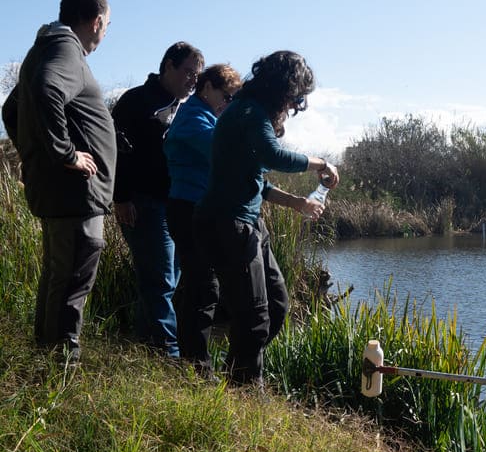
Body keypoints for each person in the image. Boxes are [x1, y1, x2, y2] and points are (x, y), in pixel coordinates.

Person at [194, 50, 339, 387]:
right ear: (282, 89)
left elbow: (257, 181)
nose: (292, 106)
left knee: (275, 306)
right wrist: (320, 163)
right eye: (293, 98)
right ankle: (245, 391)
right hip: (228, 223)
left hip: (247, 223)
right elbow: (274, 156)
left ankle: (235, 376)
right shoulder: (249, 111)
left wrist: (297, 203)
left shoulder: (247, 113)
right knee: (254, 315)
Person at [0, 0, 115, 364]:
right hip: (76, 196)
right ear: (96, 21)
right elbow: (48, 89)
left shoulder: (46, 48)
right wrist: (66, 155)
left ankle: (44, 363)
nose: (104, 33)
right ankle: (61, 369)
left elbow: (11, 109)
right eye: (107, 26)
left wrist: (37, 153)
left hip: (62, 194)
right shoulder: (65, 50)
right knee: (72, 283)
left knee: (58, 278)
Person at [112, 42, 204, 357]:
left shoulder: (186, 109)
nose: (193, 80)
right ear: (168, 66)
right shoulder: (136, 101)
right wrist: (121, 198)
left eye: (197, 75)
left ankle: (146, 346)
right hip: (142, 203)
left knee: (165, 281)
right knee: (161, 280)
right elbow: (116, 153)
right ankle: (169, 354)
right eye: (188, 72)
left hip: (175, 206)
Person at [164, 64, 242, 374]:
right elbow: (220, 149)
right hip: (187, 209)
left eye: (232, 99)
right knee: (204, 286)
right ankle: (195, 366)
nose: (227, 104)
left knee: (202, 285)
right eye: (226, 96)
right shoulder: (193, 116)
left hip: (195, 209)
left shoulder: (206, 116)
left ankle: (192, 363)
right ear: (207, 87)